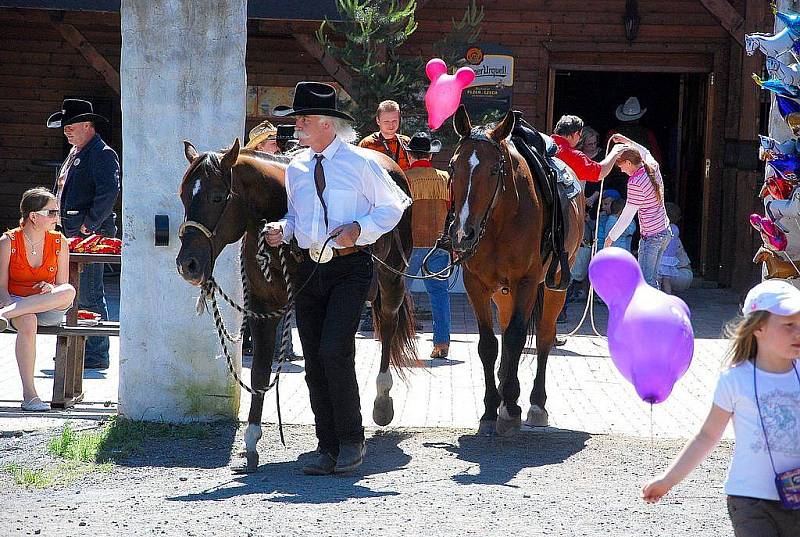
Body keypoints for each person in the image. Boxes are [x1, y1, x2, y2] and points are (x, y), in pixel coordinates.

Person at [265, 82, 411, 475]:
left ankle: (352, 441)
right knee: (313, 357)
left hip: (350, 267)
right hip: (307, 268)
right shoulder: (295, 167)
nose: (298, 125)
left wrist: (359, 229)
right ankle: (326, 446)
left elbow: (395, 207)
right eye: (298, 119)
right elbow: (297, 218)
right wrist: (283, 228)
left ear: (327, 124)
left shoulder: (360, 163)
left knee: (334, 350)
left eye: (305, 119)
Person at [642, 279, 800, 535]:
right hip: (749, 498)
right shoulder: (735, 379)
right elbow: (707, 436)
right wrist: (667, 480)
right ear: (758, 327)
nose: (798, 332)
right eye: (789, 325)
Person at [47, 99, 120, 370]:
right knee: (74, 291)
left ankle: (96, 353)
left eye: (71, 126)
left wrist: (89, 226)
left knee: (89, 293)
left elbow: (109, 192)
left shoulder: (101, 153)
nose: (67, 131)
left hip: (91, 235)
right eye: (66, 126)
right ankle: (81, 348)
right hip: (72, 233)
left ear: (88, 125)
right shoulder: (78, 151)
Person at [0, 188, 76, 411]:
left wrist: (50, 287)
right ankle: (30, 396)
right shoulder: (8, 241)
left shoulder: (59, 241)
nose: (57, 217)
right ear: (33, 216)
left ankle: (3, 316)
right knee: (28, 320)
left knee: (69, 290)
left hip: (46, 304)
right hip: (16, 303)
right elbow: (1, 288)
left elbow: (61, 284)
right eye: (51, 212)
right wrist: (7, 303)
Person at [243, 120, 302, 362]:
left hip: (281, 239)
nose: (277, 148)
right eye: (271, 143)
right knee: (259, 299)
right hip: (259, 245)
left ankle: (282, 347)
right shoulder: (251, 176)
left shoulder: (284, 170)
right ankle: (261, 346)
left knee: (283, 295)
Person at [403, 132, 451, 359]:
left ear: (410, 155)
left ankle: (395, 340)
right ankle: (441, 343)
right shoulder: (444, 178)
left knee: (400, 293)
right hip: (438, 244)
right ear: (430, 156)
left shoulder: (404, 177)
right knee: (439, 295)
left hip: (410, 245)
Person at [604, 134, 670, 289]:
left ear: (628, 162)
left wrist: (611, 237)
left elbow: (627, 215)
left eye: (620, 166)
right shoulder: (652, 166)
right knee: (652, 280)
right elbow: (644, 151)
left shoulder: (635, 183)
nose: (620, 170)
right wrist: (626, 141)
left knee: (646, 284)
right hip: (664, 231)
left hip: (652, 237)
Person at [551, 115, 625, 185]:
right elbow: (600, 173)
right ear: (576, 133)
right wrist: (615, 151)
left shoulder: (544, 146)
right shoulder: (573, 155)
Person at [358, 100, 411, 171]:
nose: (391, 125)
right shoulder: (367, 144)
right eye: (386, 121)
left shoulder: (406, 142)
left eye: (394, 121)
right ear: (378, 120)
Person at [659, 202, 693, 294]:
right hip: (671, 263)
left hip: (661, 262)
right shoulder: (675, 229)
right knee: (667, 282)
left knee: (656, 280)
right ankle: (669, 299)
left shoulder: (660, 230)